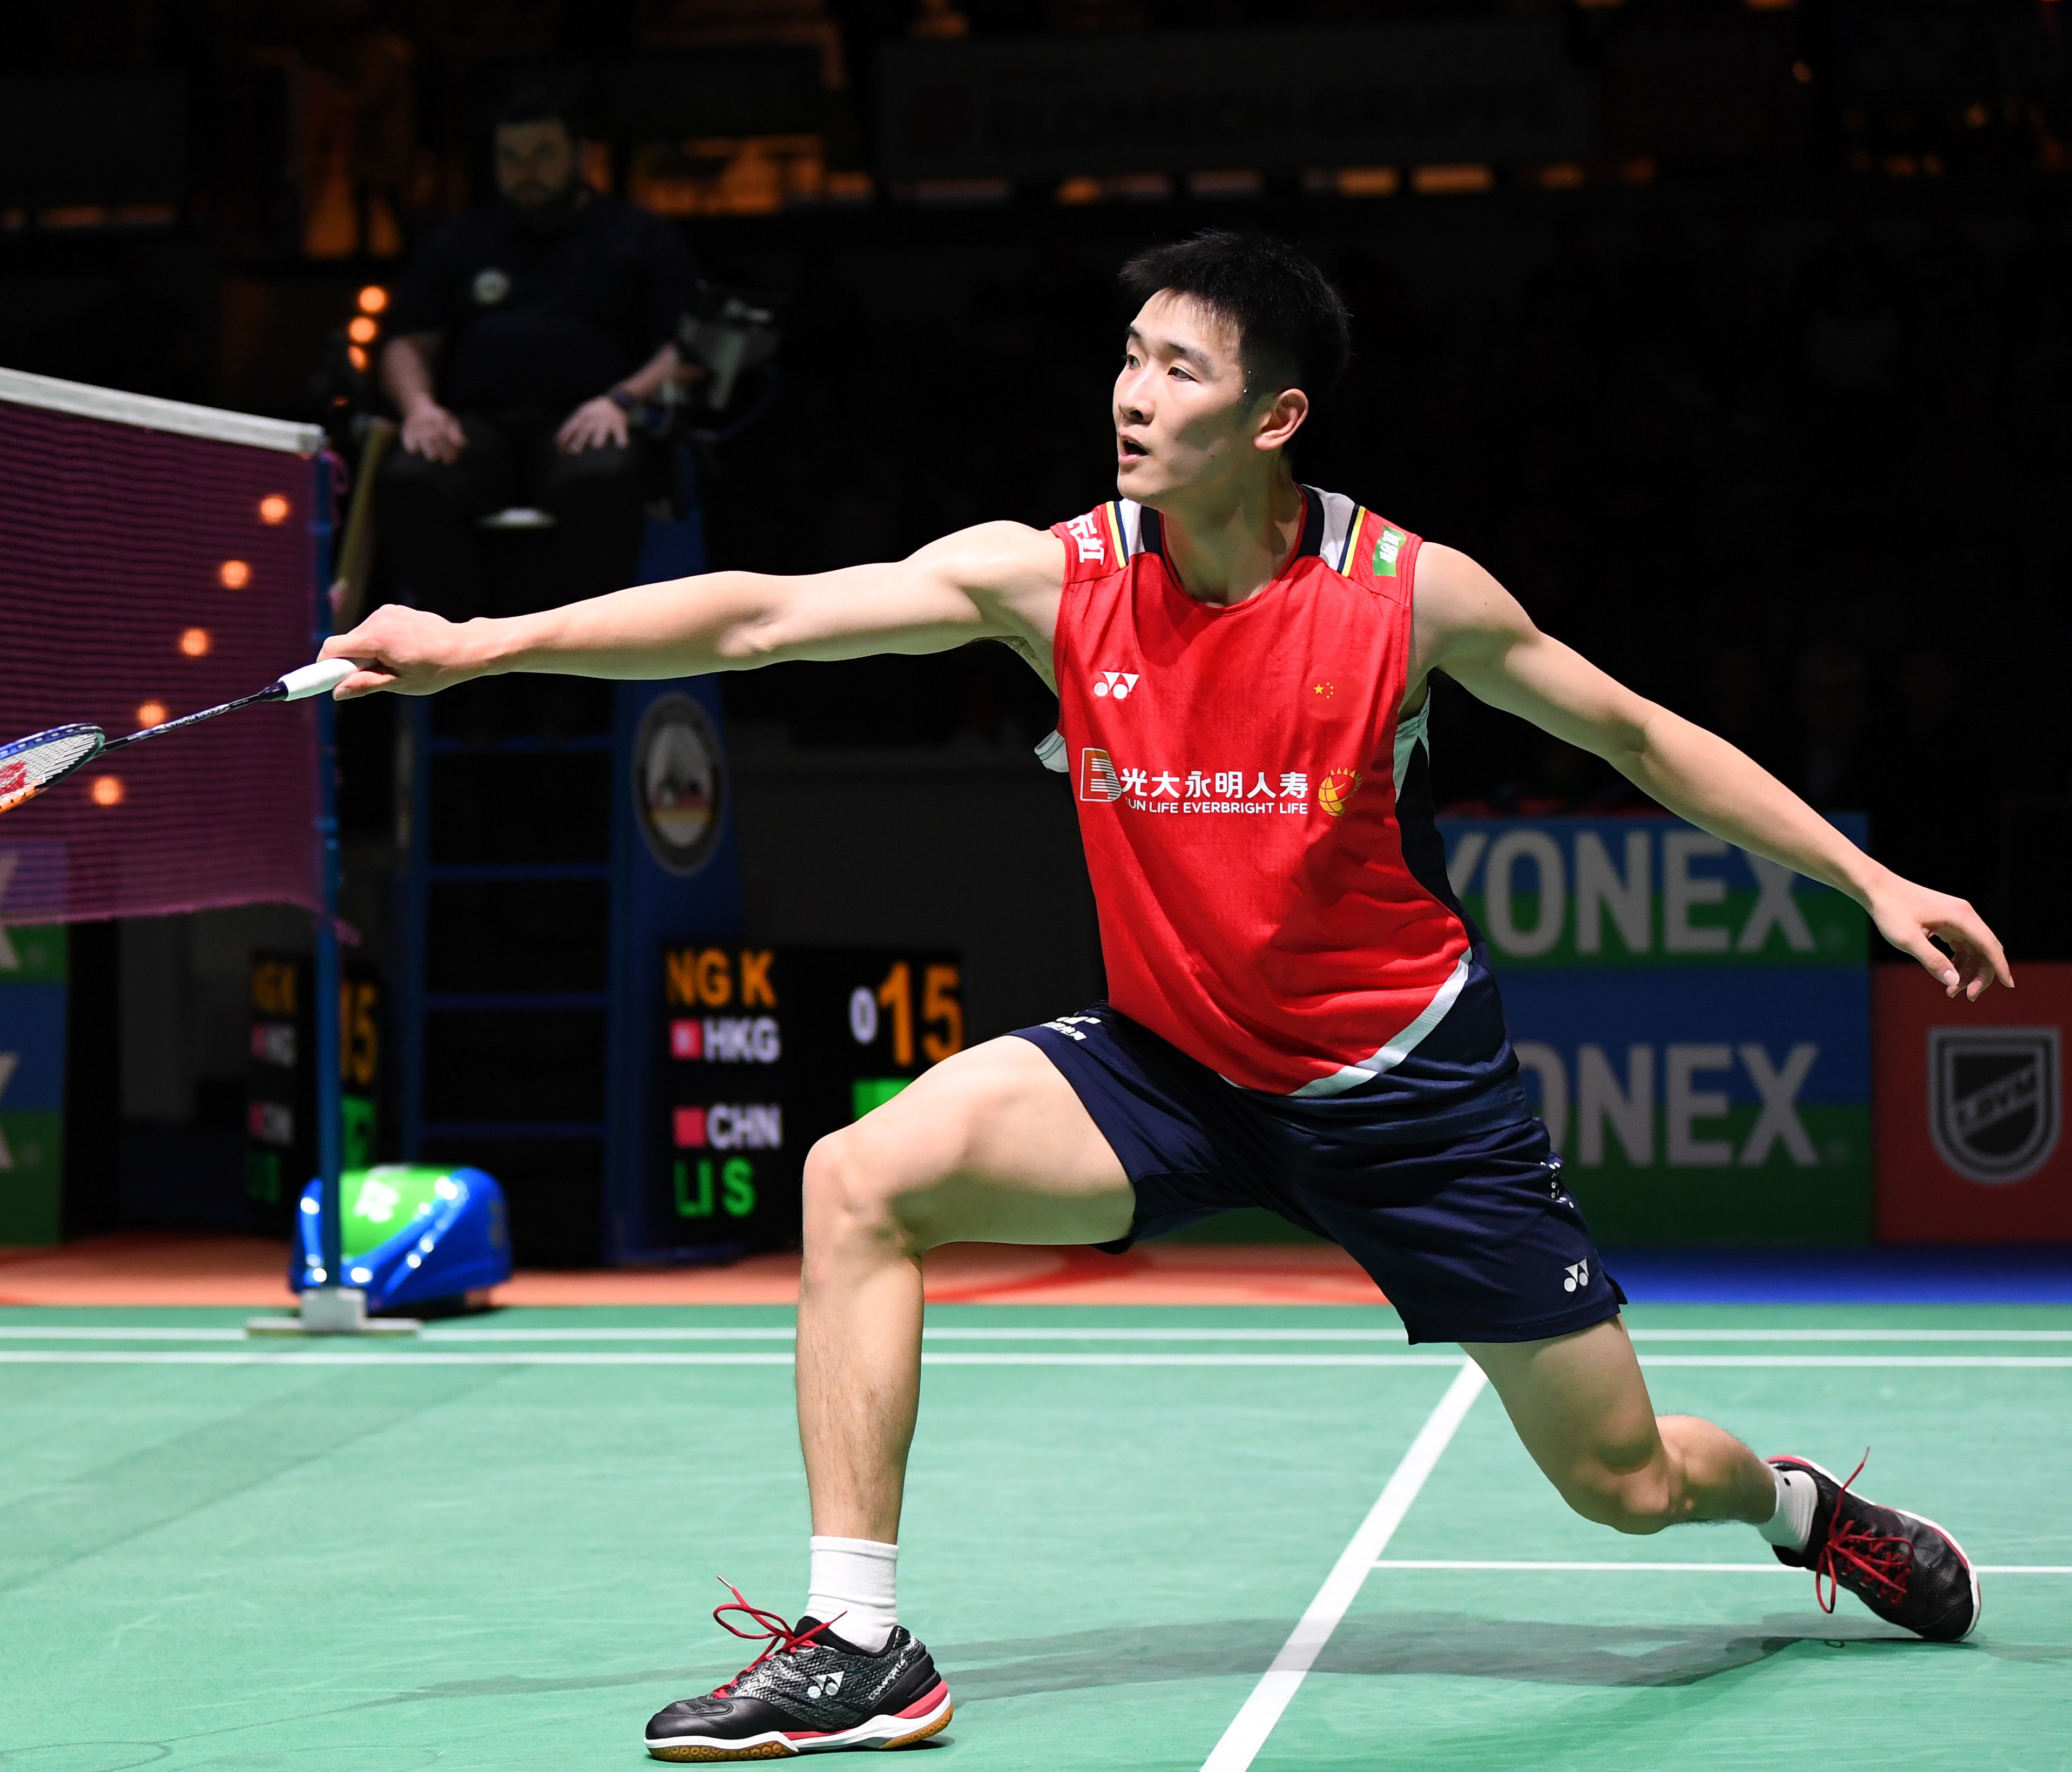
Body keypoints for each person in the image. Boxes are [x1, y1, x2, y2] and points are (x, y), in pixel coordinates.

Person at [322, 231, 2006, 1761]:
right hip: (1173, 1066)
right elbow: (766, 619)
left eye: (1177, 368)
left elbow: (1634, 735)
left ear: (1273, 419)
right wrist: (478, 642)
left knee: (1619, 1480)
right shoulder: (1053, 577)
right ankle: (858, 1641)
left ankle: (1798, 1510)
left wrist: (1864, 882)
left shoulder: (1404, 596)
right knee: (859, 1176)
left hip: (1404, 1097)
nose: (1130, 394)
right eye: (1127, 357)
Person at [376, 76, 698, 618]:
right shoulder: (460, 240)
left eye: (543, 154)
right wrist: (420, 408)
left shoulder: (638, 237)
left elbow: (686, 351)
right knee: (411, 478)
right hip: (478, 426)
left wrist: (621, 400)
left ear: (580, 154)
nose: (526, 170)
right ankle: (462, 644)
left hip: (590, 419)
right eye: (511, 157)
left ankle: (581, 656)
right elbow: (407, 343)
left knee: (601, 477)